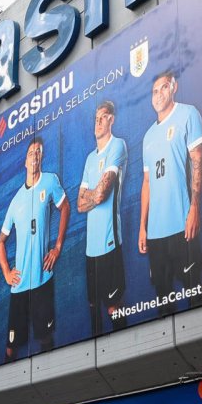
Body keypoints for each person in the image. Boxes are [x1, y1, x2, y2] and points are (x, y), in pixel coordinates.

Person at [139, 69, 202, 317]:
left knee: (195, 295)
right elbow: (147, 182)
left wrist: (194, 208)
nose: (158, 95)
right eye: (154, 91)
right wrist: (142, 227)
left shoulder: (188, 114)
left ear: (174, 87)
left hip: (182, 225)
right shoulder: (148, 136)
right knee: (163, 304)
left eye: (163, 88)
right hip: (156, 234)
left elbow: (198, 161)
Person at [0, 136, 69, 360]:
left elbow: (65, 207)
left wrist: (57, 247)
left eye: (38, 152)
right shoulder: (16, 200)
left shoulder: (50, 181)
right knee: (11, 348)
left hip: (42, 279)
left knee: (45, 339)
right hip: (19, 285)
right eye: (31, 153)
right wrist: (7, 272)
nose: (35, 155)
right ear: (25, 162)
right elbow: (0, 243)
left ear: (42, 157)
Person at [77, 100, 128, 334]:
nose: (97, 122)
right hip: (91, 250)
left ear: (111, 119)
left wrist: (93, 194)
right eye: (95, 118)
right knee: (93, 309)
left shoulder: (117, 146)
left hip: (110, 243)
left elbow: (100, 195)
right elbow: (79, 204)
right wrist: (94, 194)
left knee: (113, 308)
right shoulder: (90, 159)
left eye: (102, 117)